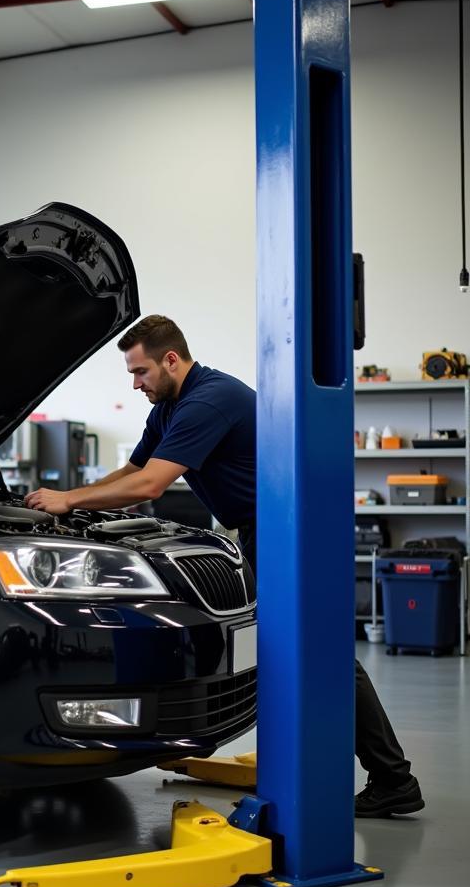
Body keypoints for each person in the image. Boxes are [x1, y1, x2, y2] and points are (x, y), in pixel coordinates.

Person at [25, 315, 424, 818]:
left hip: (290, 528)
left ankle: (393, 779)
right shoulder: (169, 405)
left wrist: (70, 499)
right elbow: (134, 468)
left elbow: (151, 486)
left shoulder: (207, 400)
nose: (135, 383)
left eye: (141, 371)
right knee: (281, 648)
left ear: (172, 360)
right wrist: (77, 504)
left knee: (324, 654)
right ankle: (314, 761)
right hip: (262, 528)